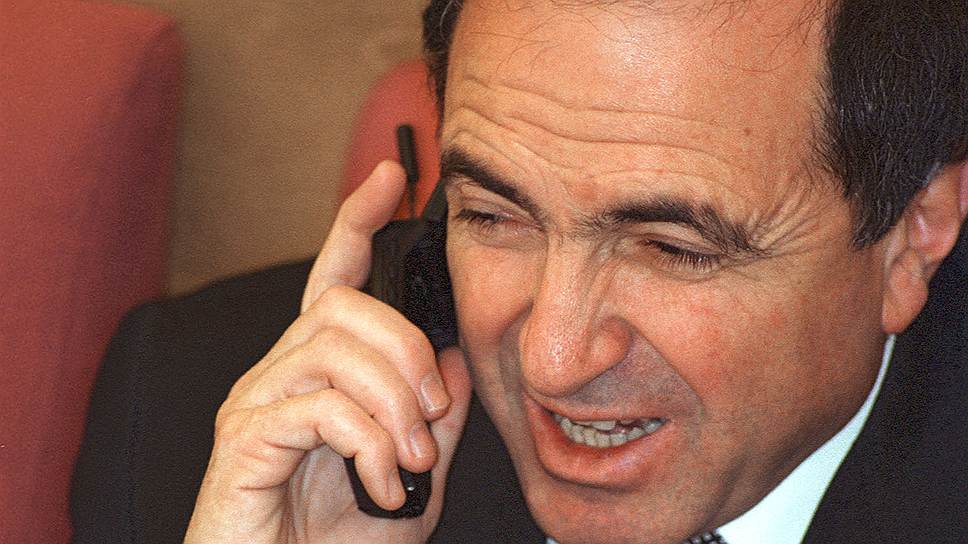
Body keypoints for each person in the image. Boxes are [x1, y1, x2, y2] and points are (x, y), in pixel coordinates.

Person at [72, 1, 968, 543]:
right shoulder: (200, 432)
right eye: (493, 217)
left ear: (913, 233)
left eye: (672, 248)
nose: (551, 361)